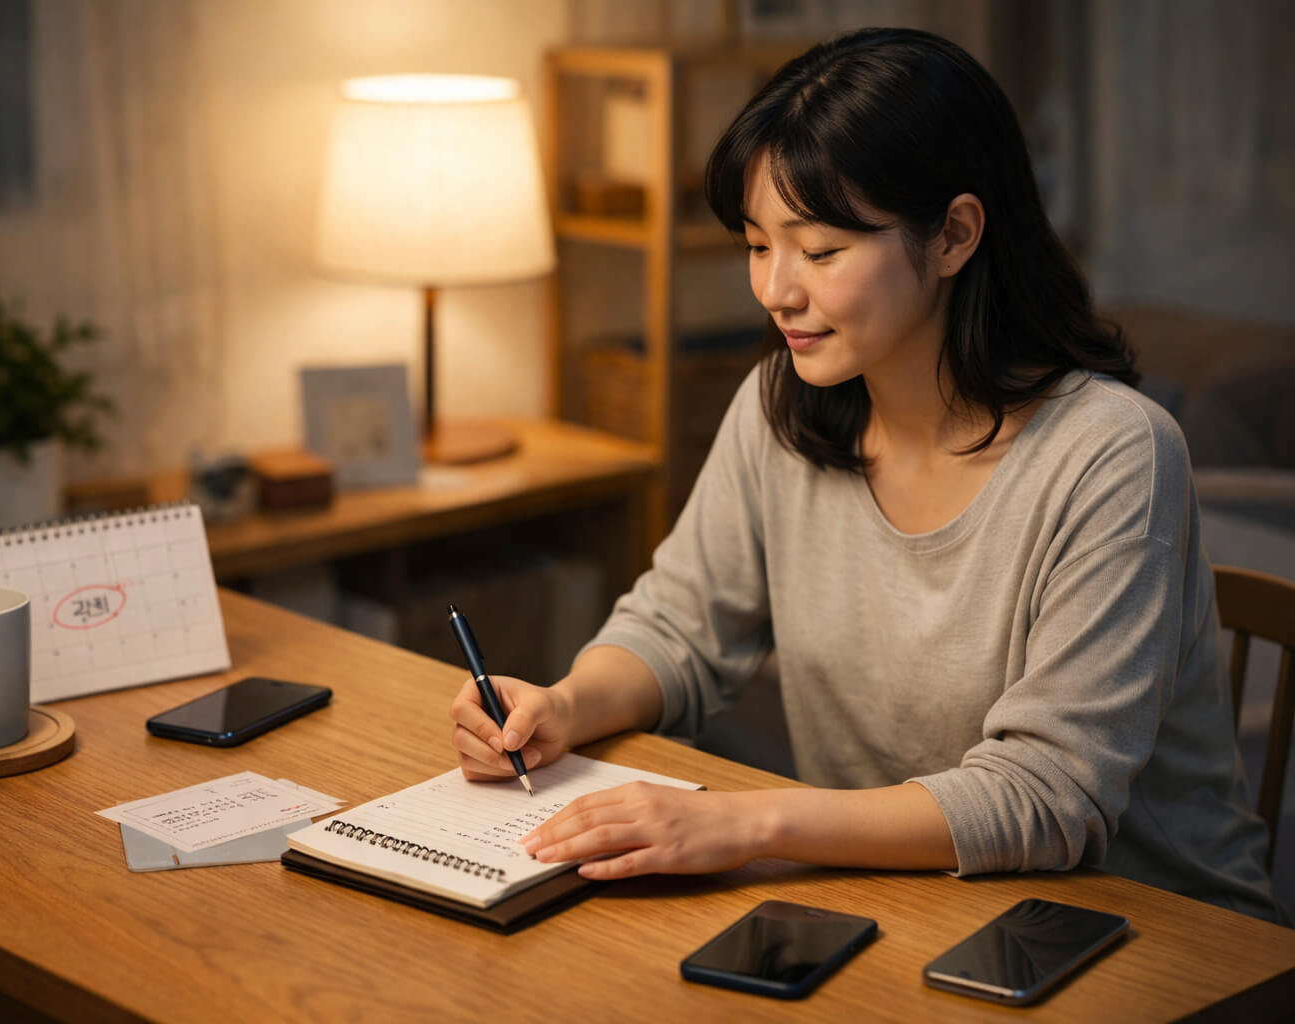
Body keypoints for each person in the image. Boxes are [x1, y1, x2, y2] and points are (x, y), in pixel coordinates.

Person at [448, 27, 1284, 922]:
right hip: (908, 899)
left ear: (954, 235)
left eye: (818, 250)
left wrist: (746, 823)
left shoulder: (1113, 454)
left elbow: (1045, 797)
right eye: (757, 245)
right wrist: (565, 707)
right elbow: (679, 625)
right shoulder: (782, 405)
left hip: (1151, 931)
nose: (776, 290)